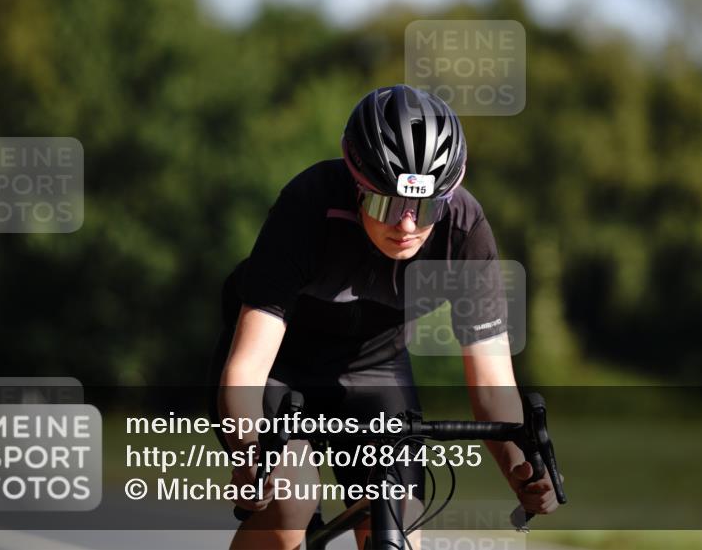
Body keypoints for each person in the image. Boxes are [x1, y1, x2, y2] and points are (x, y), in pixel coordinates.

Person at [210, 85, 557, 550]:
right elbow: (247, 368)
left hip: (374, 370)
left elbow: (493, 388)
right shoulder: (309, 204)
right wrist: (250, 450)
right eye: (386, 203)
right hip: (279, 370)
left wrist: (524, 467)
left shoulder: (464, 231)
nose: (407, 225)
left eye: (426, 206)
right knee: (290, 502)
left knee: (400, 519)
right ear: (356, 186)